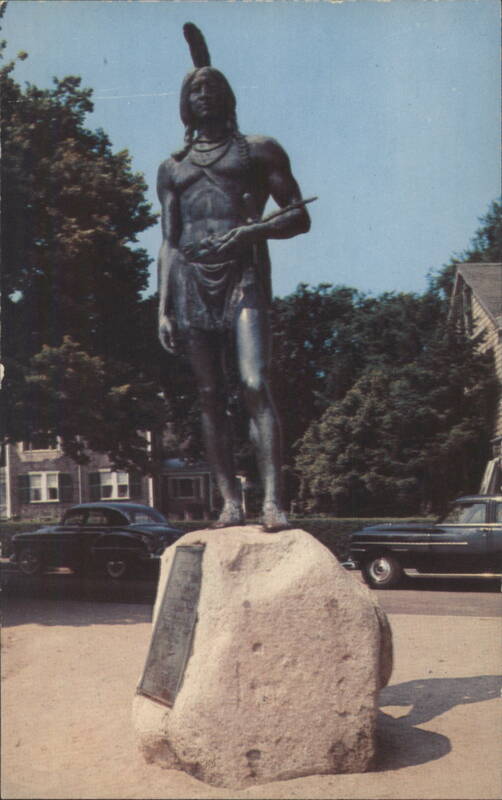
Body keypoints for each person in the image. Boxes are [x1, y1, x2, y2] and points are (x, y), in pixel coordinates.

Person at [157, 26, 311, 531]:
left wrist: (252, 233)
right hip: (188, 282)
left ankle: (273, 502)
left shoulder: (258, 150)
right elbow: (169, 241)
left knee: (253, 381)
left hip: (242, 275)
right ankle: (228, 503)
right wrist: (162, 307)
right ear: (186, 103)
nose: (204, 95)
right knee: (207, 394)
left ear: (228, 96)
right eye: (195, 89)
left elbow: (298, 216)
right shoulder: (173, 167)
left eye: (212, 87)